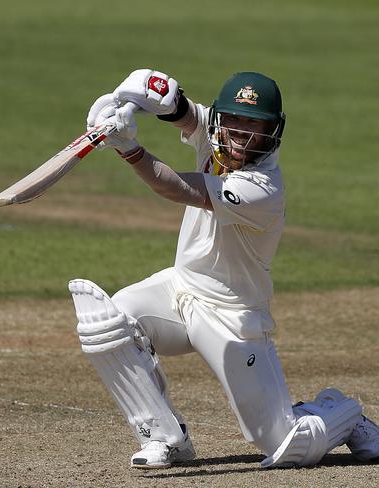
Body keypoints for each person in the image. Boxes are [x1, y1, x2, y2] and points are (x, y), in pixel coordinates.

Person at [68, 69, 379, 469]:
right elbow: (186, 115)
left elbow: (176, 188)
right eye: (233, 121)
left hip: (233, 315)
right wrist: (153, 93)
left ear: (273, 131)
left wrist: (129, 149)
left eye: (254, 124)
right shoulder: (216, 138)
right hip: (180, 291)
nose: (241, 135)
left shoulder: (262, 188)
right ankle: (167, 440)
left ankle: (342, 412)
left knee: (286, 446)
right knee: (107, 322)